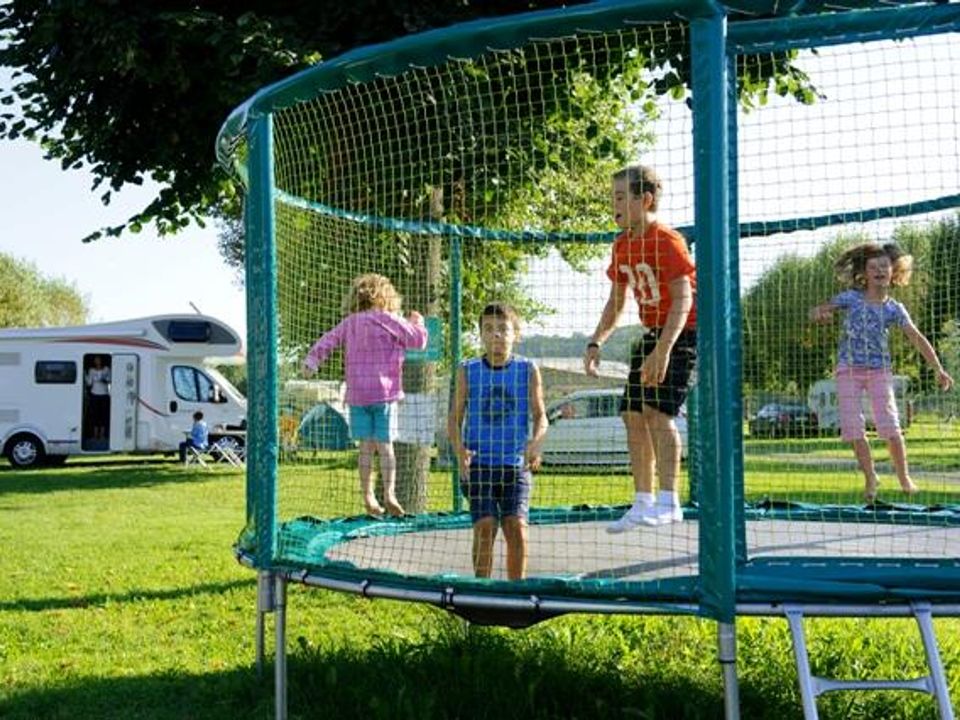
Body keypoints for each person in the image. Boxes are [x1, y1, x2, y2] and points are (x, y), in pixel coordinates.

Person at [583, 164, 697, 531]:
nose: (612, 205)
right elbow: (617, 301)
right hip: (651, 333)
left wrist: (664, 349)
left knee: (656, 412)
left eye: (620, 197)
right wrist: (596, 340)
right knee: (632, 414)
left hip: (682, 333)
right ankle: (643, 501)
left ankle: (669, 501)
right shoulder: (622, 245)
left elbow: (683, 299)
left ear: (644, 200)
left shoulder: (667, 240)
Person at [809, 241, 953, 501]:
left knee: (890, 426)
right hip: (848, 370)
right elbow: (819, 310)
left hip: (879, 372)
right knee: (853, 428)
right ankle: (871, 477)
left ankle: (904, 477)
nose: (879, 270)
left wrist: (939, 369)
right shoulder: (851, 298)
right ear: (864, 273)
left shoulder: (893, 309)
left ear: (894, 271)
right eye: (873, 266)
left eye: (884, 266)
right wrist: (819, 314)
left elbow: (917, 337)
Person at [303, 273, 428, 517]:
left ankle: (368, 496)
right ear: (385, 296)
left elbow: (327, 341)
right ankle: (389, 493)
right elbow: (418, 341)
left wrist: (312, 361)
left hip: (358, 395)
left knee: (365, 449)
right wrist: (418, 322)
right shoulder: (389, 318)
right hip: (384, 395)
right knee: (386, 447)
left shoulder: (350, 322)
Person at [448, 302, 548, 580]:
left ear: (515, 333)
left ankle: (516, 592)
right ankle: (483, 590)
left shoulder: (528, 369)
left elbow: (541, 416)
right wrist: (459, 450)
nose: (496, 335)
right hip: (479, 465)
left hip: (515, 465)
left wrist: (535, 443)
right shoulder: (467, 370)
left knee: (516, 525)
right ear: (480, 334)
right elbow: (454, 419)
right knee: (485, 525)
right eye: (489, 329)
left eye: (503, 329)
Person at [84, 355, 111, 442]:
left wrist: (104, 379)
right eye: (96, 360)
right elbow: (89, 383)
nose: (97, 361)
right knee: (94, 416)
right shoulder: (91, 370)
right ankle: (95, 436)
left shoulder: (106, 369)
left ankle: (102, 435)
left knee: (103, 416)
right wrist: (84, 374)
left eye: (99, 360)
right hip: (94, 394)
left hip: (104, 394)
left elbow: (110, 380)